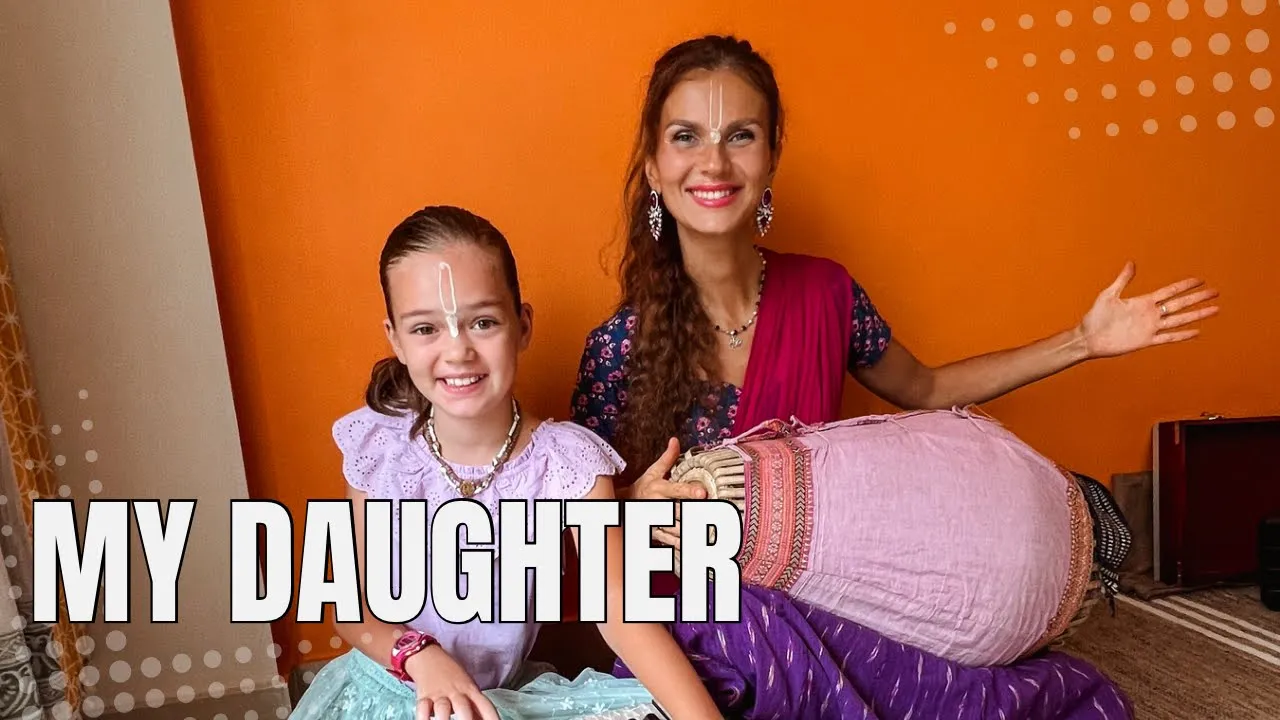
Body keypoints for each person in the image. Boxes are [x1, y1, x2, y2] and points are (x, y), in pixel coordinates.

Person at [571, 35, 1218, 718]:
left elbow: (928, 391)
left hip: (833, 599)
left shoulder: (826, 294)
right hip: (705, 631)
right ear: (653, 164)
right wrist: (633, 509)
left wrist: (1081, 341)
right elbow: (583, 534)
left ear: (771, 157)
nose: (713, 161)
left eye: (740, 135)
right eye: (686, 136)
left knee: (1016, 689)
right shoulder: (618, 347)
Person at [292, 205, 724, 720]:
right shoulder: (380, 444)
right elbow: (350, 605)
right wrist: (417, 655)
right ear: (396, 340)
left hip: (497, 703)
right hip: (385, 694)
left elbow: (621, 614)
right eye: (426, 328)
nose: (458, 352)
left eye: (482, 322)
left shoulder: (567, 462)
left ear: (522, 326)